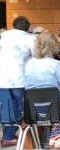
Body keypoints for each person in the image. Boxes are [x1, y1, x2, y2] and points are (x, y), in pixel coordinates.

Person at [25, 31, 60, 148]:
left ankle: (56, 137)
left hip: (33, 110)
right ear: (53, 45)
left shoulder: (29, 64)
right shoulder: (57, 65)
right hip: (55, 109)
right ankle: (58, 138)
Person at [0, 16, 35, 147]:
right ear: (27, 27)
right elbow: (37, 57)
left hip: (2, 79)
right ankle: (10, 135)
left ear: (14, 25)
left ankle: (9, 133)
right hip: (20, 79)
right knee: (20, 108)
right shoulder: (31, 38)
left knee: (6, 109)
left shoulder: (3, 35)